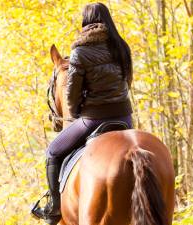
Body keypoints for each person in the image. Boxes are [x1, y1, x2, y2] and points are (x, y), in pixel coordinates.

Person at [32, 3, 134, 224]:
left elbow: (71, 93)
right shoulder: (121, 47)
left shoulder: (80, 51)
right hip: (125, 116)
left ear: (85, 22)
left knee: (53, 152)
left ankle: (54, 208)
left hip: (93, 118)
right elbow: (128, 80)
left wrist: (77, 112)